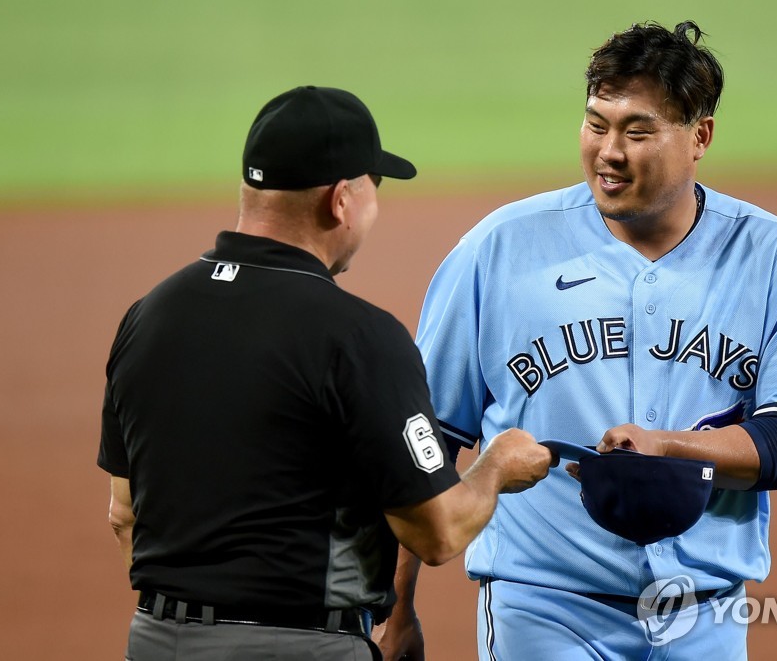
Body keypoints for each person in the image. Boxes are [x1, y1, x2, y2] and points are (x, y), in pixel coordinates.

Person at [382, 21, 777, 660]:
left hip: (706, 613)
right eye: (596, 124)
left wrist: (672, 448)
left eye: (637, 131)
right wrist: (396, 604)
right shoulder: (498, 250)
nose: (609, 151)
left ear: (699, 137)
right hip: (543, 606)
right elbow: (428, 437)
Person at [97, 85, 554, 660]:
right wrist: (498, 466)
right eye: (374, 188)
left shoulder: (149, 316)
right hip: (301, 647)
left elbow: (125, 514)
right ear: (341, 200)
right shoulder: (358, 336)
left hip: (157, 640)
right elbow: (437, 531)